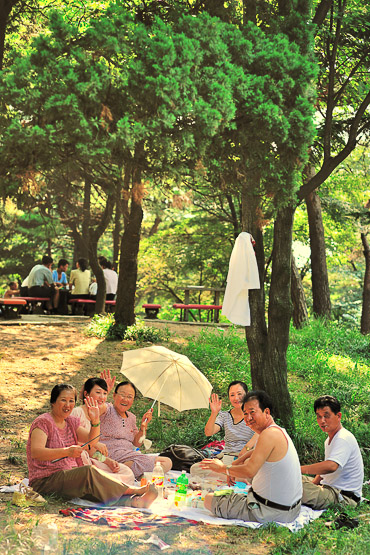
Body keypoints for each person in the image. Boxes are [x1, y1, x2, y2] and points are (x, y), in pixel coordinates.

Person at [27, 383, 157, 507]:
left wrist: (95, 421)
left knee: (92, 484)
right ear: (53, 402)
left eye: (71, 401)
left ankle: (134, 501)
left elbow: (92, 440)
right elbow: (36, 452)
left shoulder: (71, 421)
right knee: (88, 472)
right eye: (63, 400)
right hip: (45, 480)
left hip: (68, 474)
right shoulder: (43, 422)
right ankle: (132, 491)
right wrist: (67, 452)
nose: (68, 405)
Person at [200, 390, 302, 524]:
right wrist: (236, 464)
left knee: (208, 499)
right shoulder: (277, 431)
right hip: (290, 510)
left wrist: (223, 468)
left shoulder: (268, 434)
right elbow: (254, 452)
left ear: (266, 412)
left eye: (252, 412)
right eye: (245, 414)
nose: (248, 418)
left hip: (268, 512)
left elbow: (250, 470)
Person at [301, 395, 364, 509]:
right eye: (319, 417)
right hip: (328, 488)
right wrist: (313, 483)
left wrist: (300, 468)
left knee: (292, 486)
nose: (322, 421)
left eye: (326, 416)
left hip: (343, 496)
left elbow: (331, 466)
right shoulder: (329, 440)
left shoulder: (343, 438)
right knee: (292, 478)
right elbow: (324, 471)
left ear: (338, 416)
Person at [100, 381, 172, 478]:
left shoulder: (131, 417)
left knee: (167, 462)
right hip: (110, 453)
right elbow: (96, 407)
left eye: (129, 397)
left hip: (129, 455)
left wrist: (143, 428)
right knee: (143, 461)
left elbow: (136, 443)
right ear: (114, 395)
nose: (125, 399)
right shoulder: (107, 409)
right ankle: (131, 473)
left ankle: (128, 471)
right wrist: (105, 392)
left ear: (133, 400)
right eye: (122, 395)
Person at [71, 376, 135, 485]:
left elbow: (92, 453)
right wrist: (95, 444)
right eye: (98, 392)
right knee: (98, 475)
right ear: (86, 394)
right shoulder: (76, 413)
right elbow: (72, 442)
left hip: (92, 458)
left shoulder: (98, 415)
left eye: (105, 393)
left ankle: (107, 483)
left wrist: (108, 461)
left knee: (126, 472)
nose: (102, 397)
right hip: (77, 459)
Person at [190, 381, 255, 479]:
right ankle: (232, 477)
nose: (236, 398)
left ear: (247, 394)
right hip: (227, 457)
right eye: (232, 395)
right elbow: (208, 432)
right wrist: (214, 413)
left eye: (239, 394)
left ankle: (230, 476)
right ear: (229, 398)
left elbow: (262, 431)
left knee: (250, 470)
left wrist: (246, 449)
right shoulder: (224, 415)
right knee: (196, 468)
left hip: (245, 457)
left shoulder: (254, 414)